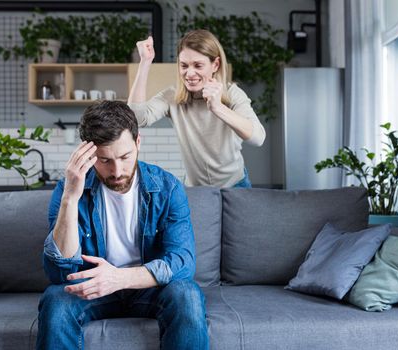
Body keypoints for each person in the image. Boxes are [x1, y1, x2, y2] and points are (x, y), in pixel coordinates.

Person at [36, 100, 209, 350]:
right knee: (56, 300)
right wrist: (71, 199)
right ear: (88, 154)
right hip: (94, 289)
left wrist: (119, 278)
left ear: (138, 143)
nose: (117, 171)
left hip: (148, 288)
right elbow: (58, 273)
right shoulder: (68, 189)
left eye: (125, 157)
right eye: (104, 160)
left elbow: (183, 262)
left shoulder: (168, 187)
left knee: (187, 295)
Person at [128, 29, 266, 188]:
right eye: (184, 65)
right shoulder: (172, 96)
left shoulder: (232, 94)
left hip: (236, 184)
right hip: (195, 188)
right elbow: (136, 119)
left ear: (215, 65)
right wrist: (145, 63)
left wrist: (218, 108)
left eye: (198, 65)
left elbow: (258, 138)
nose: (190, 73)